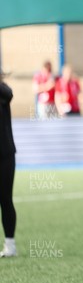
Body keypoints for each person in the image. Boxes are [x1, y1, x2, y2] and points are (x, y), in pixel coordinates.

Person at [0, 77, 17, 258]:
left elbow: (9, 93)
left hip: (5, 154)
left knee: (5, 199)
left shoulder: (3, 92)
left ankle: (10, 244)